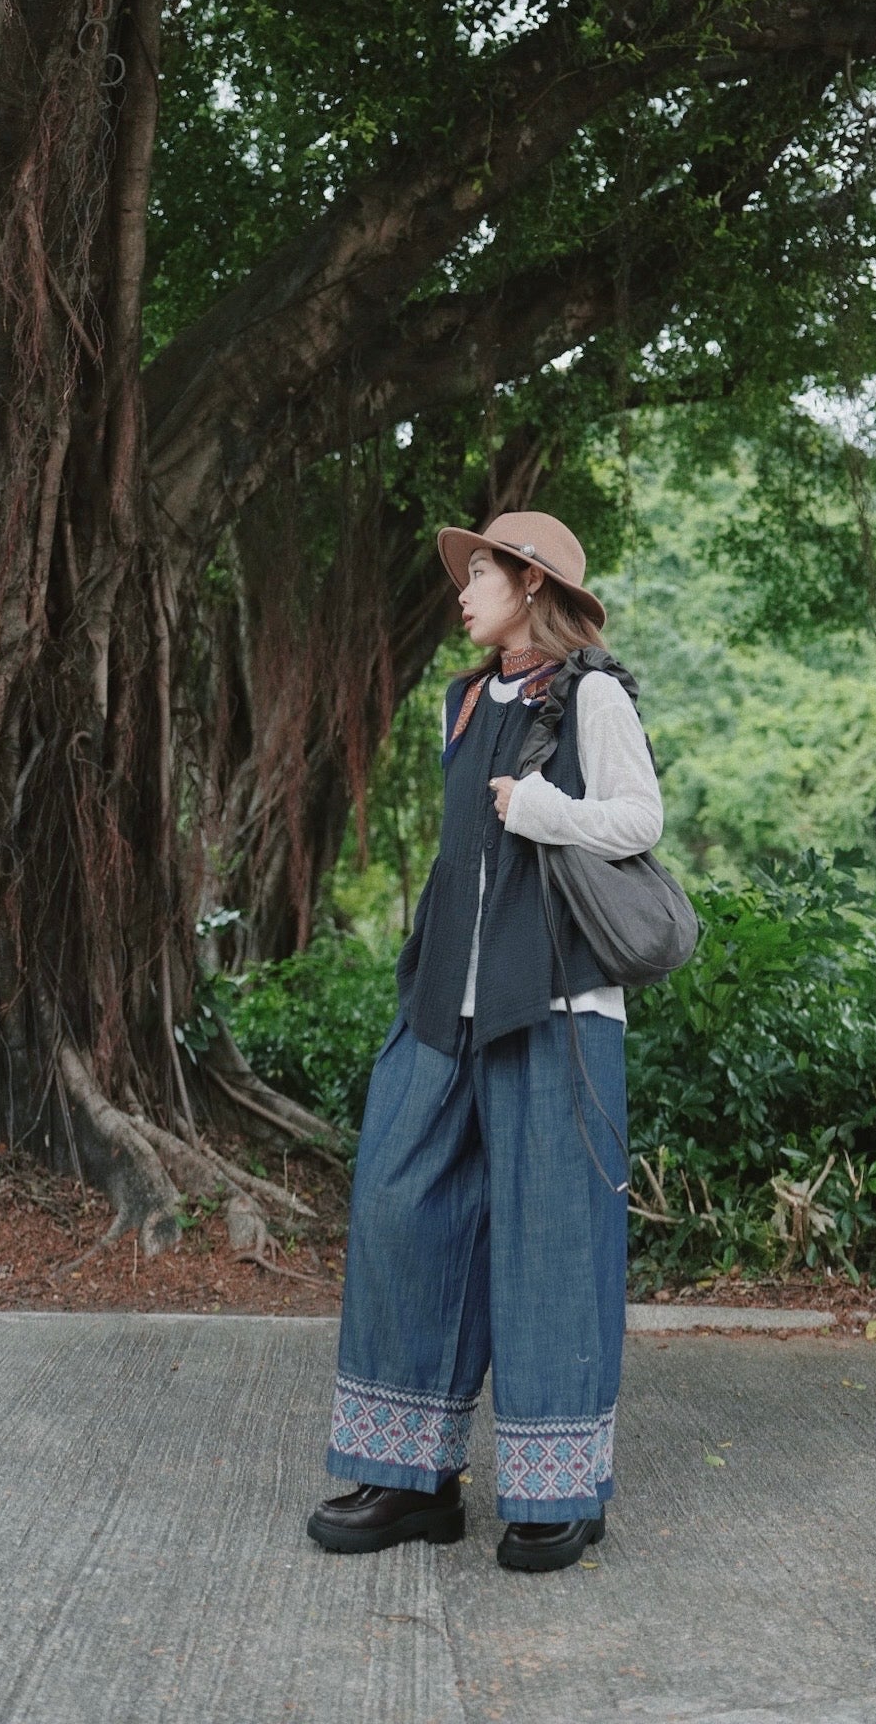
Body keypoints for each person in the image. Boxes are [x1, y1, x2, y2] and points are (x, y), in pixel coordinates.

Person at [306, 509, 664, 1573]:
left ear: (532, 582)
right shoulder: (464, 700)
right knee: (399, 1208)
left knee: (552, 1239)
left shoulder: (592, 694)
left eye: (481, 572)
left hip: (555, 1006)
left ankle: (559, 1491)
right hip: (445, 1007)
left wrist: (545, 810)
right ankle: (410, 1479)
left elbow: (638, 820)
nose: (462, 588)